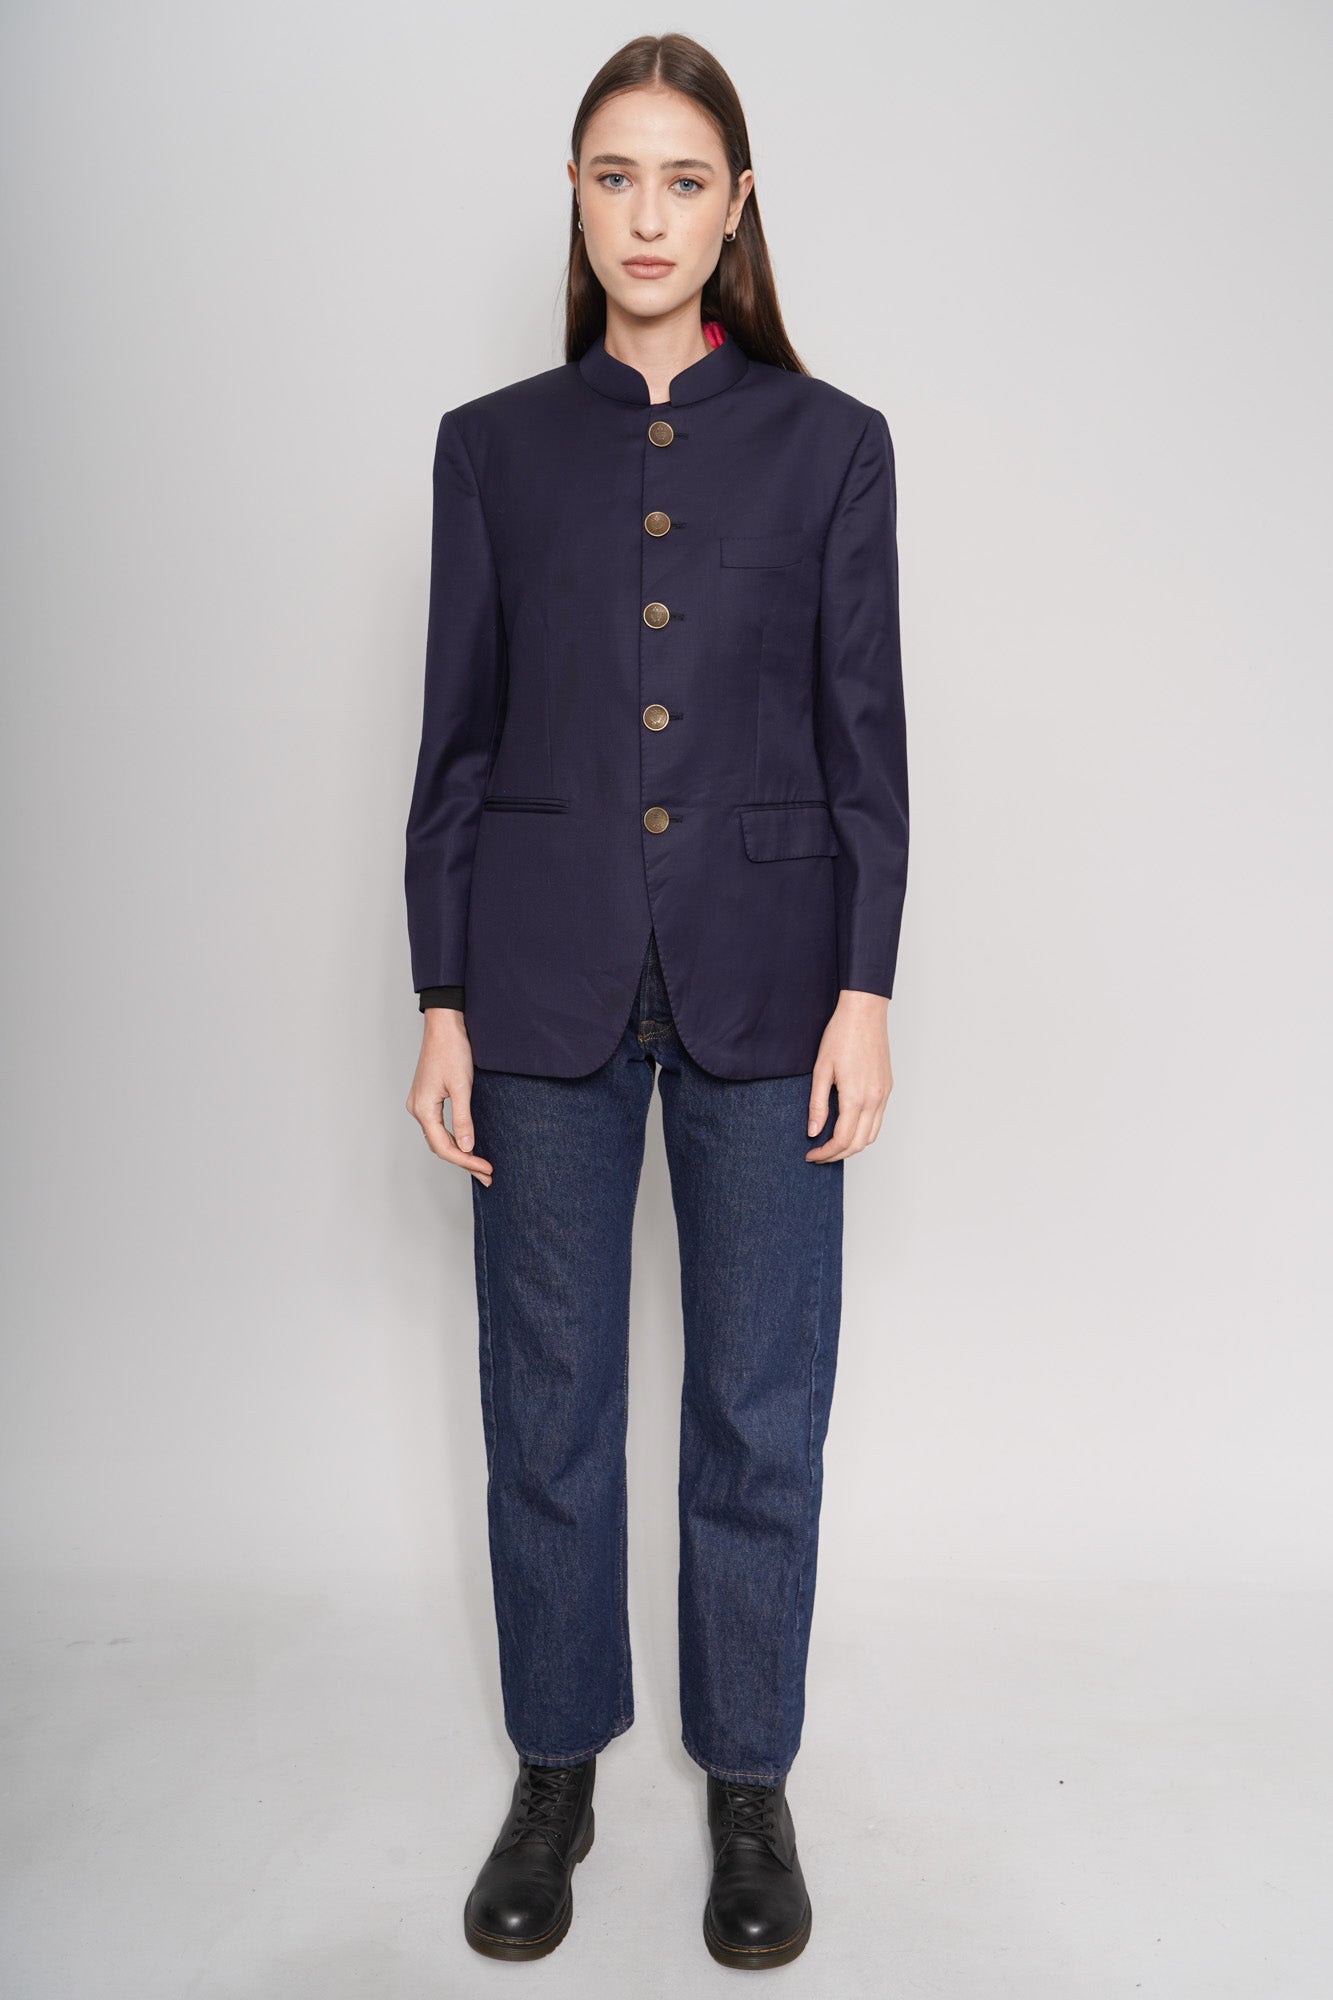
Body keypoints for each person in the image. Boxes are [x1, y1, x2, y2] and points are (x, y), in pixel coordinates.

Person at [403, 31, 908, 1971]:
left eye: (683, 179)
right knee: (544, 1410)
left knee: (759, 1411)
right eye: (614, 174)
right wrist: (441, 995)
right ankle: (555, 1768)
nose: (647, 214)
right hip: (536, 980)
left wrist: (865, 986)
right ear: (575, 194)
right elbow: (453, 747)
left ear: (736, 205)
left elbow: (864, 745)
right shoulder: (490, 446)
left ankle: (749, 1778)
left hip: (770, 983)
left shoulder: (832, 444)